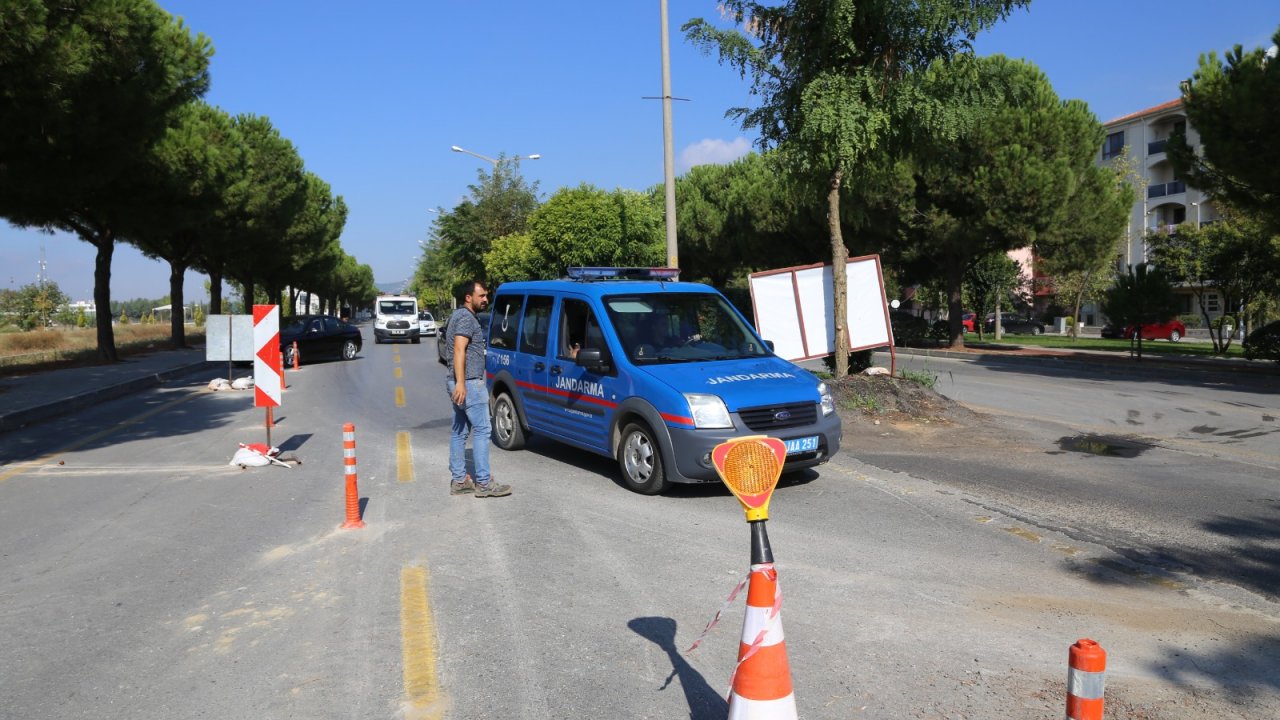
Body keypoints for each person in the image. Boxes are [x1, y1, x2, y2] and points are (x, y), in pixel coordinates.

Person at [445, 280, 511, 498]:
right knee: (483, 430)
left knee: (460, 431)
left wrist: (457, 382)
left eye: (486, 295)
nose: (485, 299)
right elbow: (459, 349)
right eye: (481, 296)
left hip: (458, 382)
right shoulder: (466, 318)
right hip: (469, 383)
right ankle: (484, 483)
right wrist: (462, 382)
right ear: (468, 297)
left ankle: (460, 481)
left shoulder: (457, 315)